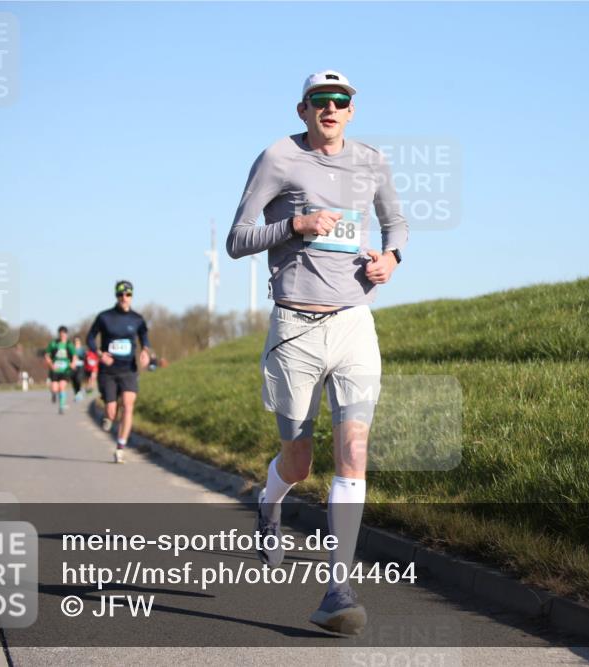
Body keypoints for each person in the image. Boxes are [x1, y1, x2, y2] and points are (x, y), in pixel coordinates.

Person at [226, 70, 407, 636]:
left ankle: (338, 589)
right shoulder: (278, 158)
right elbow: (237, 240)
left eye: (341, 101)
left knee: (353, 449)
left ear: (352, 110)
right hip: (294, 329)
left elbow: (394, 221)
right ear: (302, 109)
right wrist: (295, 224)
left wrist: (392, 259)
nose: (331, 108)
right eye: (319, 101)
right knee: (299, 462)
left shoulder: (372, 160)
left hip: (354, 321)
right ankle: (269, 501)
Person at [86, 280, 151, 464]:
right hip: (108, 371)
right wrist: (99, 353)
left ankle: (120, 447)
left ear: (131, 296)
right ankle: (108, 416)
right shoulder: (104, 317)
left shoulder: (137, 319)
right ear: (116, 296)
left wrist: (146, 351)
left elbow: (144, 337)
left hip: (128, 369)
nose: (124, 298)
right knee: (112, 411)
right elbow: (90, 337)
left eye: (128, 294)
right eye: (121, 294)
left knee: (129, 406)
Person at [44, 326, 77, 415]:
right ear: (59, 334)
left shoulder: (69, 345)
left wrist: (73, 363)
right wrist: (50, 364)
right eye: (61, 333)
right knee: (55, 388)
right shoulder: (54, 344)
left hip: (65, 370)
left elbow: (74, 356)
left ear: (66, 334)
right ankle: (54, 394)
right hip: (55, 370)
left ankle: (61, 406)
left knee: (62, 387)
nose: (62, 335)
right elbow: (47, 355)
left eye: (64, 333)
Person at [70, 335, 87, 401]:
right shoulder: (71, 349)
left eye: (77, 340)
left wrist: (79, 357)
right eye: (75, 341)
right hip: (73, 367)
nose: (76, 342)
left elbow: (85, 357)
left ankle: (79, 391)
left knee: (78, 379)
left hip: (80, 366)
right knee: (74, 381)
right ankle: (77, 393)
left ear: (79, 341)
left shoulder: (82, 349)